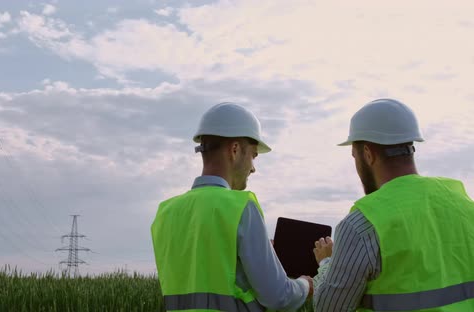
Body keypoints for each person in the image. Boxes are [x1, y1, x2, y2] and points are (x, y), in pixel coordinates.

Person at [313, 98, 474, 311]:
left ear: (368, 154)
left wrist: (326, 264)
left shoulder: (363, 223)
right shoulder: (464, 205)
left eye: (355, 156)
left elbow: (329, 308)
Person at [151, 102, 313, 311]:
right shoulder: (241, 207)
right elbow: (278, 297)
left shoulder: (165, 213)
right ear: (235, 150)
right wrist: (305, 285)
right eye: (253, 155)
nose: (253, 168)